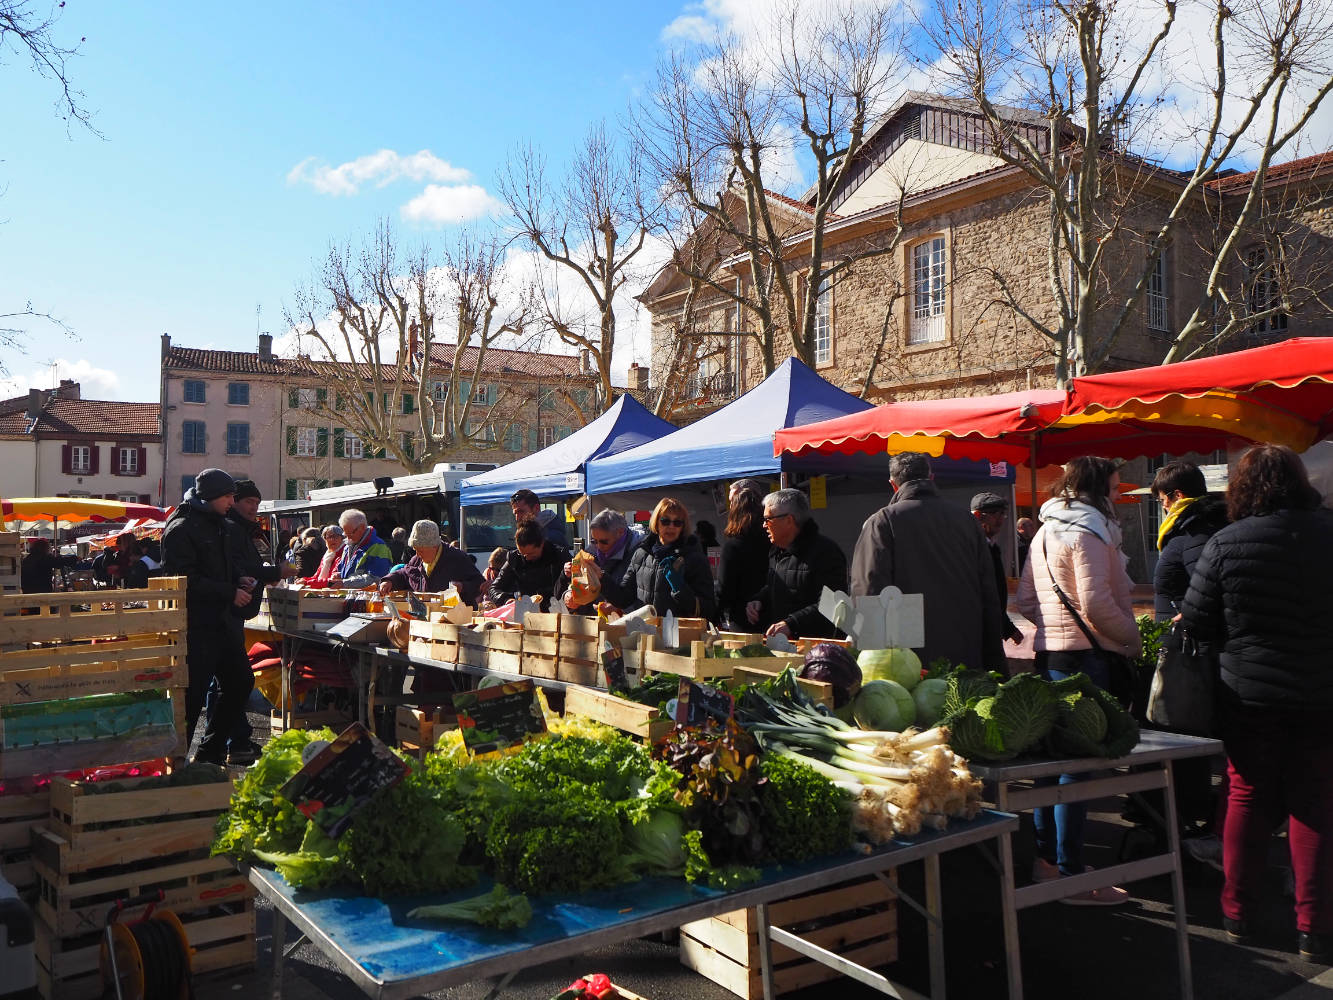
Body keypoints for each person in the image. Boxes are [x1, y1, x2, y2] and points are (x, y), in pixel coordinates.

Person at [1181, 444, 1333, 961]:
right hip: (1321, 693)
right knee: (1313, 803)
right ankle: (1314, 926)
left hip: (1247, 693)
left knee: (1245, 796)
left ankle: (1238, 914)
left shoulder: (1227, 542)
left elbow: (1198, 623)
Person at [1016, 456, 1142, 905]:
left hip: (1051, 655)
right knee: (1079, 767)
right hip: (1087, 660)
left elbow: (1028, 600)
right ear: (1098, 489)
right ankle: (1072, 874)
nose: (1116, 495)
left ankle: (1047, 863)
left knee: (1054, 764)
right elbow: (1098, 603)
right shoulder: (1088, 530)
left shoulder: (1046, 530)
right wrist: (1132, 641)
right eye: (1113, 486)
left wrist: (1054, 626)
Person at [850, 452, 1004, 671]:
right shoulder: (967, 521)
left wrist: (864, 658)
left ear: (893, 485)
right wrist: (994, 659)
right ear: (932, 478)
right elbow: (989, 591)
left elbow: (870, 591)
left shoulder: (883, 521)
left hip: (909, 662)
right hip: (966, 652)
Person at [1150, 461, 1230, 861]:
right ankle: (1193, 813)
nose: (1161, 508)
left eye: (1162, 500)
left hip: (1192, 654)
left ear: (1177, 496)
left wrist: (1187, 617)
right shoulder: (1190, 529)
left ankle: (1193, 819)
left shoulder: (1195, 532)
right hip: (1187, 649)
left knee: (1185, 733)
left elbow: (1208, 590)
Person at [161, 468, 252, 766]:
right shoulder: (180, 528)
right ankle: (174, 763)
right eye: (227, 496)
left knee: (240, 682)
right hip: (195, 626)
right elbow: (183, 579)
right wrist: (229, 592)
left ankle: (210, 754)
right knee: (192, 696)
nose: (232, 501)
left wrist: (240, 580)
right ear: (210, 496)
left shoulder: (221, 525)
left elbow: (226, 566)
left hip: (222, 623)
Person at [745, 488, 847, 639]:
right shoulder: (777, 552)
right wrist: (759, 599)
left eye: (768, 519)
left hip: (815, 649)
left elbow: (832, 605)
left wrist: (792, 623)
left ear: (788, 520)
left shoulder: (826, 552)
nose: (764, 525)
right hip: (783, 646)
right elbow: (785, 585)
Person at [606, 498, 716, 621]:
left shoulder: (694, 558)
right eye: (665, 521)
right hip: (645, 634)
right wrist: (601, 579)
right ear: (656, 522)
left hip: (679, 635)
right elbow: (624, 598)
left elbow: (708, 609)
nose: (671, 526)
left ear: (683, 527)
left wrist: (680, 589)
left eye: (677, 522)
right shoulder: (642, 553)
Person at [558, 508, 645, 615]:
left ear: (620, 533)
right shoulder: (590, 552)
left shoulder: (640, 554)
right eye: (594, 541)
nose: (598, 546)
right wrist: (569, 594)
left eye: (604, 542)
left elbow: (642, 597)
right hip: (593, 623)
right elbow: (578, 584)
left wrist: (620, 609)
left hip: (627, 625)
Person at [379, 520, 485, 606]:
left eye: (421, 550)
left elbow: (479, 583)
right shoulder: (417, 560)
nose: (418, 554)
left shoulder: (457, 558)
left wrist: (462, 587)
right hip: (428, 617)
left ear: (434, 546)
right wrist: (390, 580)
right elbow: (405, 574)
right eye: (416, 550)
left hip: (456, 620)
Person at [717, 481, 771, 632]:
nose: (730, 505)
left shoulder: (734, 546)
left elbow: (724, 590)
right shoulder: (773, 540)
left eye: (733, 499)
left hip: (743, 622)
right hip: (772, 620)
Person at [970, 492, 1024, 645]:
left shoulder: (991, 546)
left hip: (989, 629)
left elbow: (995, 597)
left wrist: (1008, 628)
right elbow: (983, 595)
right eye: (994, 514)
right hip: (978, 631)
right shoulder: (973, 547)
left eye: (1002, 514)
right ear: (978, 515)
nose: (1000, 520)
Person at [488, 519, 570, 610]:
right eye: (522, 554)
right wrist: (506, 600)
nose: (526, 558)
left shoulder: (560, 556)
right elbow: (494, 588)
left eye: (531, 554)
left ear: (542, 544)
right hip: (526, 613)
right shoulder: (514, 558)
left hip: (556, 611)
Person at [330, 509, 393, 588]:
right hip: (350, 596)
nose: (348, 537)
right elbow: (345, 572)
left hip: (368, 598)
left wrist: (345, 583)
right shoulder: (348, 546)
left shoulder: (379, 547)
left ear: (362, 527)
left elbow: (376, 578)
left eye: (351, 533)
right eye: (345, 534)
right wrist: (338, 575)